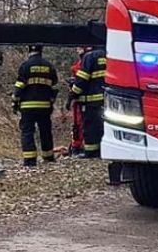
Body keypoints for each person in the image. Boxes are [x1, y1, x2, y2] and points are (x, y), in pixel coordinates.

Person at [69, 43, 120, 184]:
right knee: (103, 125)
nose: (78, 50)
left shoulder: (89, 57)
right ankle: (103, 150)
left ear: (87, 47)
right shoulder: (108, 54)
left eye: (79, 48)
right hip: (107, 98)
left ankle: (91, 152)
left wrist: (73, 92)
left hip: (91, 99)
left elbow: (83, 79)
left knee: (90, 126)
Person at [13, 45, 57, 166]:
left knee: (27, 132)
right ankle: (48, 157)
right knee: (45, 131)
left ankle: (30, 160)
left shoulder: (25, 66)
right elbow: (54, 88)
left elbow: (19, 86)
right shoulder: (49, 66)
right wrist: (51, 101)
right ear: (41, 51)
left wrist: (15, 101)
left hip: (28, 106)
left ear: (29, 51)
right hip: (44, 106)